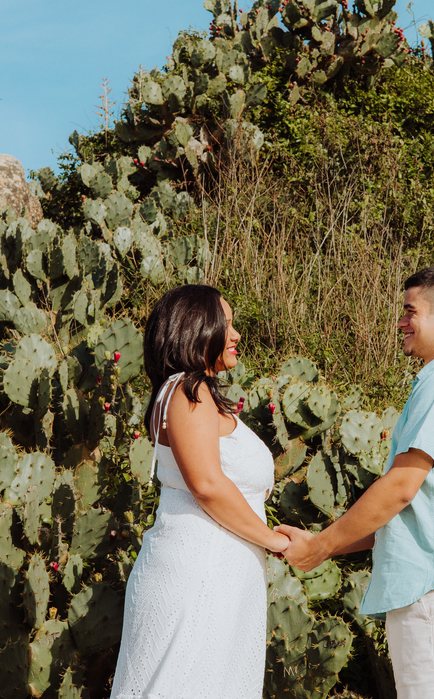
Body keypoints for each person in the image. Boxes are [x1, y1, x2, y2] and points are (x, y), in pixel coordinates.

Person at [277, 263, 434, 699]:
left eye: (409, 310)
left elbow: (401, 489)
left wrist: (320, 548)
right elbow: (407, 516)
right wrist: (322, 541)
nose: (401, 321)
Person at [110, 285, 289, 699]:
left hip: (210, 573)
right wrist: (274, 541)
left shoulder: (188, 393)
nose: (236, 333)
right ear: (196, 328)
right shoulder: (190, 391)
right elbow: (207, 486)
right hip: (200, 575)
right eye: (225, 323)